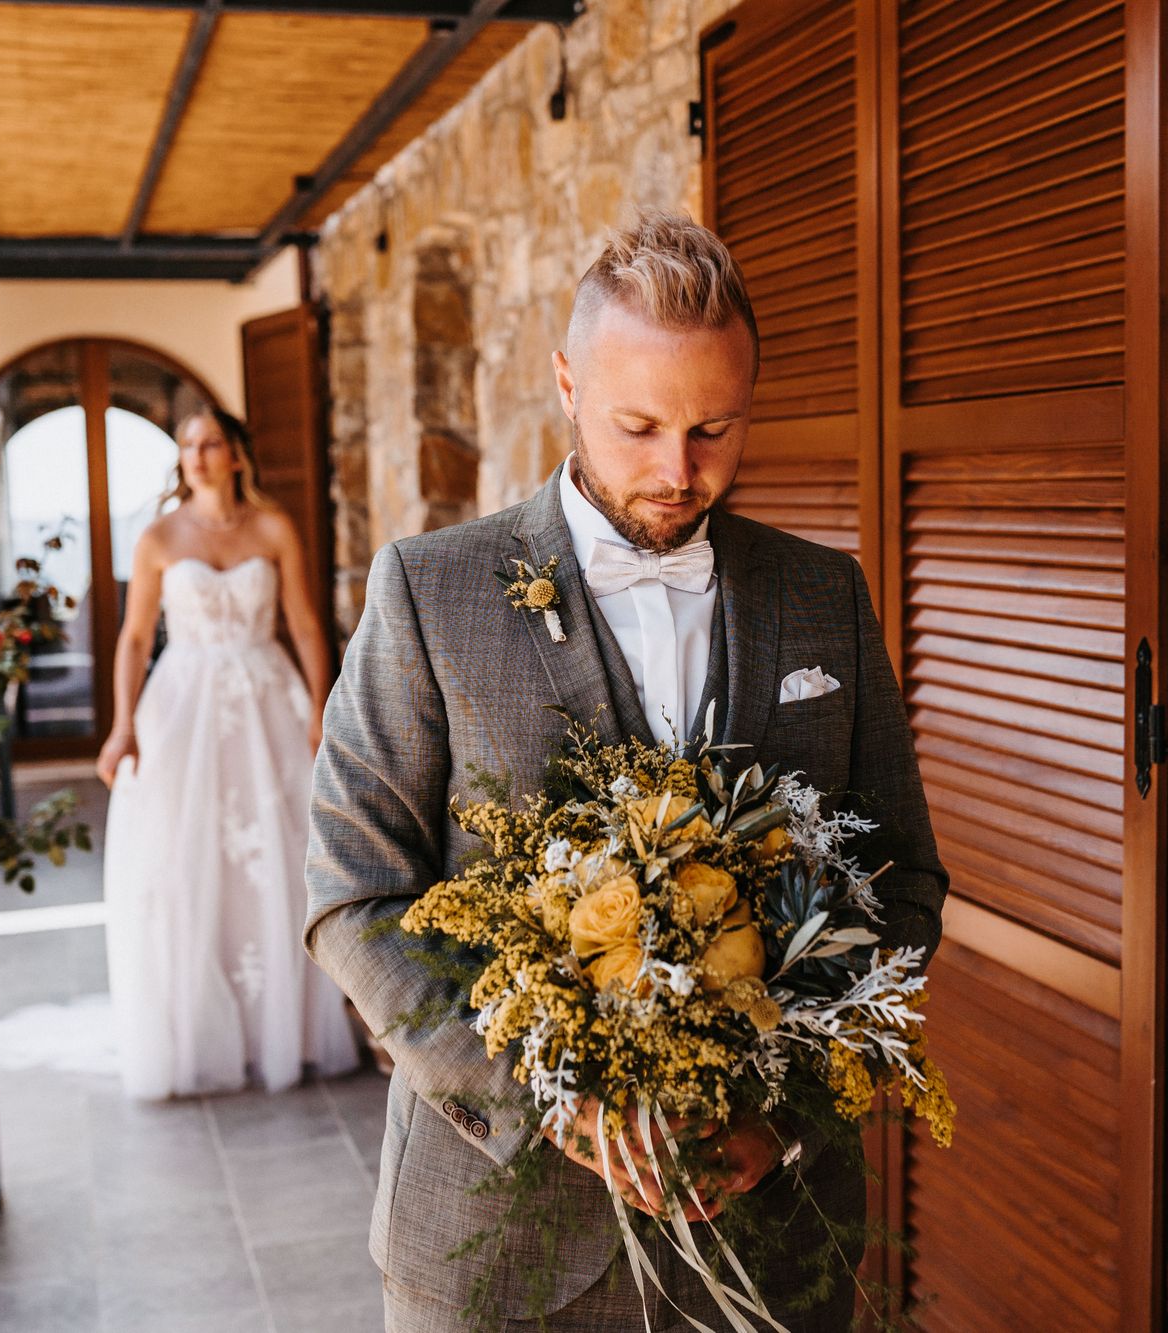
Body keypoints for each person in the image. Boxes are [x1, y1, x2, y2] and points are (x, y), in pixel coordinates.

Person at [304, 210, 947, 1331]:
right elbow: (354, 891)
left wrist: (781, 1111)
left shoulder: (825, 597)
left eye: (714, 428)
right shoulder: (429, 590)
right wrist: (551, 1102)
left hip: (767, 1238)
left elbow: (900, 882)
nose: (676, 470)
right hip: (494, 1249)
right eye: (637, 425)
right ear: (565, 380)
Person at [99, 406, 359, 1100]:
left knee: (280, 858)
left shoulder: (272, 528)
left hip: (268, 697)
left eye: (211, 442)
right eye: (188, 444)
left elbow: (305, 623)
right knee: (184, 859)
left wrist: (323, 710)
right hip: (182, 704)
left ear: (237, 454)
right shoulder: (156, 537)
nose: (198, 454)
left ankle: (287, 1028)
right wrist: (123, 724)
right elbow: (133, 638)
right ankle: (197, 1031)